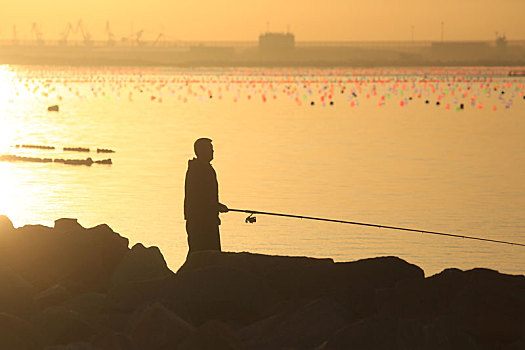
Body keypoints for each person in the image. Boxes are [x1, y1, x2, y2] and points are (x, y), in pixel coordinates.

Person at [184, 138, 228, 255]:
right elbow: (200, 199)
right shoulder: (199, 170)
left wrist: (216, 207)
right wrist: (217, 207)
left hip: (206, 220)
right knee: (204, 253)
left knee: (204, 252)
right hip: (201, 222)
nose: (213, 151)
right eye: (210, 149)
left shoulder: (203, 169)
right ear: (201, 151)